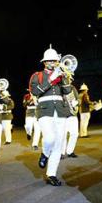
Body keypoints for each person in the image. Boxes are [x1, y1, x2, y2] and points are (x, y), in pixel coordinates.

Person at [29, 45, 72, 186]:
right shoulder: (37, 76)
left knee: (58, 144)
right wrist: (51, 79)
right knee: (49, 138)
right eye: (50, 61)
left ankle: (51, 174)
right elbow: (35, 91)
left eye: (54, 60)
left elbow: (67, 91)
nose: (53, 63)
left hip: (60, 109)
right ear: (45, 62)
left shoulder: (62, 74)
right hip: (44, 110)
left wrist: (64, 78)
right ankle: (45, 154)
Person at [61, 84, 79, 158]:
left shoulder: (72, 87)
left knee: (74, 134)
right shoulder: (59, 88)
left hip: (72, 114)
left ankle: (70, 151)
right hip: (63, 115)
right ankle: (61, 152)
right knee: (63, 135)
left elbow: (77, 98)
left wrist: (77, 102)